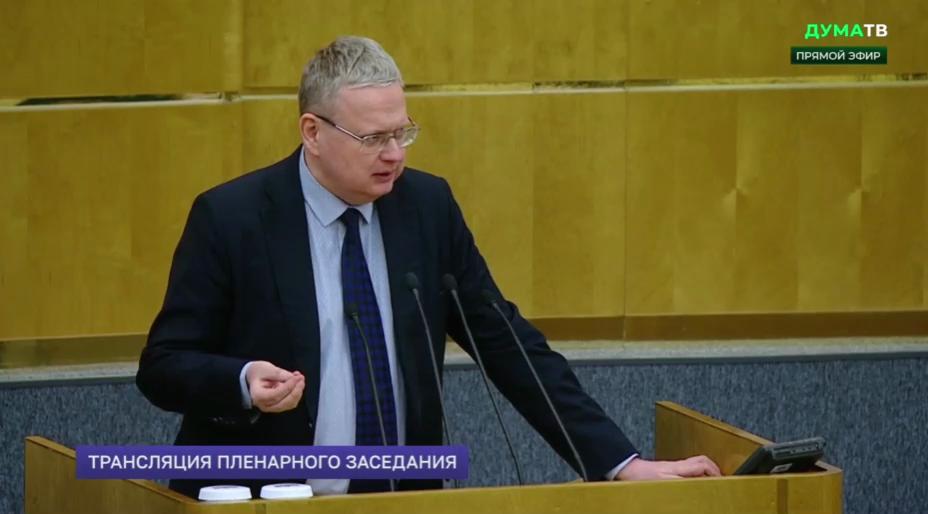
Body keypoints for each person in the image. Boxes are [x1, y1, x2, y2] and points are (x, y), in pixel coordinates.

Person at [136, 35, 720, 499]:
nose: (395, 155)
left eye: (403, 133)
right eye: (374, 138)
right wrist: (240, 382)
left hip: (404, 500)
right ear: (312, 132)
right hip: (266, 497)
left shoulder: (426, 208)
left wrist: (619, 463)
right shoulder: (233, 218)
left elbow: (507, 344)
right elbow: (163, 366)